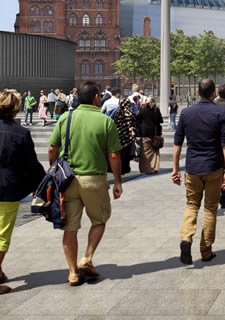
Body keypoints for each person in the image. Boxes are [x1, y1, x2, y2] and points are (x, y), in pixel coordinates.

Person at [48, 81, 123, 286]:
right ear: (96, 98)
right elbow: (114, 155)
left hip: (69, 180)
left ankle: (73, 273)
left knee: (69, 228)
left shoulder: (65, 118)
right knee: (99, 220)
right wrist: (117, 181)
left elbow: (52, 149)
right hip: (94, 180)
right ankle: (87, 258)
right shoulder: (105, 121)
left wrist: (55, 170)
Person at [172, 78, 225, 265]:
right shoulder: (220, 113)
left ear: (198, 93)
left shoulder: (186, 113)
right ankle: (206, 251)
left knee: (192, 205)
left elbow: (177, 143)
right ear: (213, 92)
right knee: (210, 208)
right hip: (213, 167)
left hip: (192, 167)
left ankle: (185, 238)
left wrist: (175, 169)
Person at [0, 89, 45, 294]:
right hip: (7, 189)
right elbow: (31, 165)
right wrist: (40, 185)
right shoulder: (20, 133)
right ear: (16, 109)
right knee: (2, 235)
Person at [137, 96, 163, 175]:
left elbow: (137, 119)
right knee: (155, 151)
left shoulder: (143, 110)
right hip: (155, 133)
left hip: (145, 133)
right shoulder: (156, 110)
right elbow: (160, 120)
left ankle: (148, 169)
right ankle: (155, 167)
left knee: (146, 152)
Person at [112, 97, 137, 175]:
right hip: (126, 136)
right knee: (125, 154)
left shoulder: (117, 111)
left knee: (119, 153)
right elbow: (130, 123)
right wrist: (132, 131)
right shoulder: (128, 111)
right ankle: (124, 168)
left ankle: (118, 168)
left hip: (118, 134)